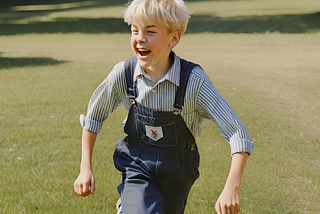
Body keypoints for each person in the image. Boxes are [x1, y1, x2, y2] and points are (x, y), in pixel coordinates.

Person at [74, 0, 255, 213]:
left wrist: (231, 188)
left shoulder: (194, 81)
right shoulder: (123, 74)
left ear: (174, 38)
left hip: (179, 170)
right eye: (134, 30)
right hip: (137, 162)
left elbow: (237, 133)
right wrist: (85, 167)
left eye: (150, 31)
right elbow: (94, 117)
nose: (140, 38)